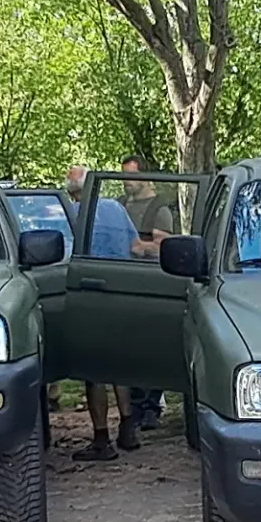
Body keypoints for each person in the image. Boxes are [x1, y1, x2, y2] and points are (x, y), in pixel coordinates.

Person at [65, 165, 142, 459]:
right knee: (118, 363)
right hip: (120, 288)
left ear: (75, 192)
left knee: (93, 369)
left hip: (88, 293)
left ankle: (101, 440)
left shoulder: (71, 213)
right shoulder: (115, 208)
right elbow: (135, 246)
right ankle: (128, 428)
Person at [120, 156, 170, 431]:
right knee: (129, 347)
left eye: (131, 176)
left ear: (145, 176)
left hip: (152, 281)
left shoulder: (159, 208)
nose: (127, 182)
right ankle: (135, 407)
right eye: (124, 176)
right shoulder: (118, 205)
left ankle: (151, 406)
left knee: (151, 345)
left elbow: (164, 246)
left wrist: (143, 247)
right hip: (123, 280)